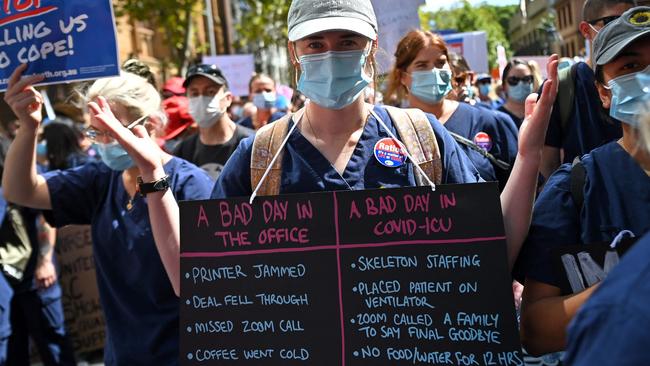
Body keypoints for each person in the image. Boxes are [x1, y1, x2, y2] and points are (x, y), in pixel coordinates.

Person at [213, 0, 559, 271]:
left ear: (371, 47)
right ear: (294, 52)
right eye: (315, 44)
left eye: (347, 41)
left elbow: (491, 247)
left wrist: (527, 157)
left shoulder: (422, 139)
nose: (331, 55)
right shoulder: (260, 156)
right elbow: (209, 271)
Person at [2, 65, 214, 365]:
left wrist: (152, 176)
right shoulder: (102, 178)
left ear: (151, 124)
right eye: (95, 132)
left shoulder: (191, 184)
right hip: (123, 354)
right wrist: (28, 127)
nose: (102, 143)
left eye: (111, 131)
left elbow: (199, 282)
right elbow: (19, 190)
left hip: (180, 353)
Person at [516, 7, 650, 355]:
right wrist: (633, 282)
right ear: (603, 93)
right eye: (631, 67)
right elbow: (535, 331)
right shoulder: (576, 187)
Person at [385, 30, 520, 190]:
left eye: (440, 63)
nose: (434, 72)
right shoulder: (388, 130)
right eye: (422, 65)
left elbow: (520, 189)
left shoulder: (490, 122)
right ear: (402, 76)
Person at [540, 0, 636, 181]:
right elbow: (548, 165)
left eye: (629, 19)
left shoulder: (644, 80)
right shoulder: (562, 86)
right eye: (613, 21)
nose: (623, 29)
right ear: (586, 30)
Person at [173, 64, 254, 180]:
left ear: (228, 99)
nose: (201, 98)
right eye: (194, 93)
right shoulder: (183, 151)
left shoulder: (252, 143)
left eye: (210, 92)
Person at [498, 59, 537, 129]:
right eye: (514, 80)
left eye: (526, 79)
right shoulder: (496, 118)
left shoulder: (543, 114)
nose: (521, 84)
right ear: (504, 86)